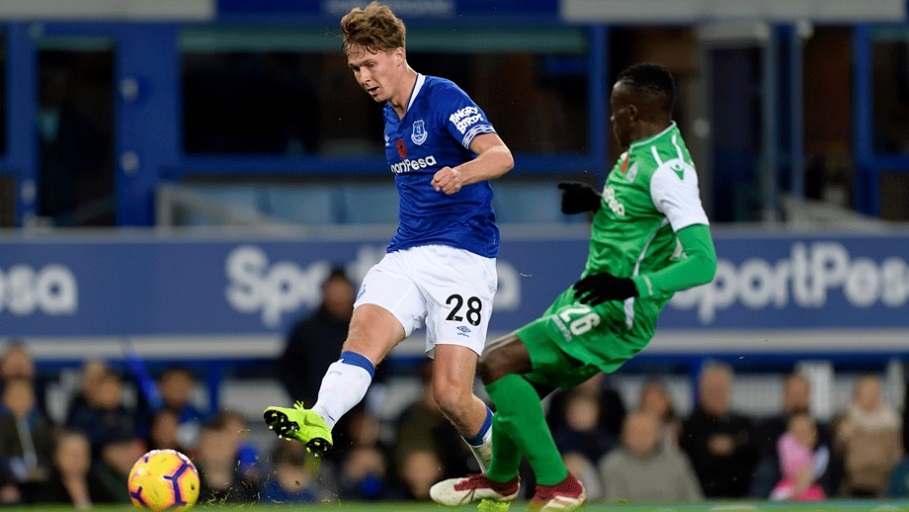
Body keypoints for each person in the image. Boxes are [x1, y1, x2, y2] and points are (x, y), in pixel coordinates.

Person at [429, 62, 717, 511]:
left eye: (615, 111)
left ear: (632, 113)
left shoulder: (669, 171)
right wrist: (599, 205)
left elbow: (703, 262)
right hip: (592, 294)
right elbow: (641, 224)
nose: (611, 119)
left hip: (614, 310)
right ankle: (501, 479)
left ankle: (557, 483)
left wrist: (629, 287)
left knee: (496, 364)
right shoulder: (643, 151)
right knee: (514, 381)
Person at [264, 0, 514, 474]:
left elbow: (500, 156)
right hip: (406, 255)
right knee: (359, 342)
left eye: (370, 64)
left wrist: (461, 174)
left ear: (398, 54)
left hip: (464, 259)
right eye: (355, 67)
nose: (362, 76)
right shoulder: (390, 115)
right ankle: (320, 418)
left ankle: (500, 465)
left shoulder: (443, 97)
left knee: (451, 396)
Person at [680, 361, 759, 498]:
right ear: (702, 391)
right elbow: (697, 462)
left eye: (721, 389)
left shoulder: (743, 422)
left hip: (741, 497)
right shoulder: (690, 425)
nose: (717, 395)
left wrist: (732, 446)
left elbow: (753, 454)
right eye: (712, 390)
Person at [599, 411, 703, 502]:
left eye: (646, 431)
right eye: (635, 432)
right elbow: (613, 506)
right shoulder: (610, 465)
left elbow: (695, 501)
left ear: (658, 434)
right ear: (624, 435)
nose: (641, 437)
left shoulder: (678, 462)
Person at [832, 373, 903, 497]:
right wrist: (842, 436)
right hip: (850, 489)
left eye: (874, 392)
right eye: (867, 392)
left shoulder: (891, 423)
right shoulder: (844, 420)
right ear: (857, 395)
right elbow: (835, 454)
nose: (871, 396)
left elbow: (897, 459)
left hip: (883, 489)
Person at [769, 412, 828, 501]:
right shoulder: (785, 443)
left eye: (806, 431)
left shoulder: (820, 455)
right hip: (789, 485)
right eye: (797, 431)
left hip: (810, 489)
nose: (802, 435)